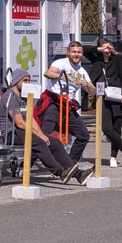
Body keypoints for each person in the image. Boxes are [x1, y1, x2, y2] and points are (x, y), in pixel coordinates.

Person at [3, 68, 90, 183]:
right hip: (12, 133)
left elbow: (31, 119)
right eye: (24, 80)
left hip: (24, 132)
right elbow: (20, 123)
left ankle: (79, 175)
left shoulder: (24, 98)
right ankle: (59, 172)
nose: (27, 83)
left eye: (29, 80)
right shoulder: (10, 97)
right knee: (40, 142)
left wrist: (42, 134)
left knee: (54, 142)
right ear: (16, 82)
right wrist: (40, 135)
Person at [40, 40, 94, 170]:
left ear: (82, 54)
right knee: (42, 136)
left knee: (84, 136)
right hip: (53, 103)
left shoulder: (82, 71)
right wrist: (61, 75)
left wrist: (87, 85)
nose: (76, 54)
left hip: (68, 106)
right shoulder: (61, 63)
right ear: (68, 53)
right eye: (74, 52)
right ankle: (24, 166)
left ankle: (69, 164)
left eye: (79, 52)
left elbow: (93, 91)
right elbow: (47, 73)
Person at [88, 37, 122, 168]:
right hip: (102, 96)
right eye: (104, 47)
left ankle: (113, 157)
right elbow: (84, 50)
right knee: (106, 127)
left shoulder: (117, 58)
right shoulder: (96, 59)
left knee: (116, 128)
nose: (107, 50)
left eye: (108, 47)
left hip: (117, 96)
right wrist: (99, 49)